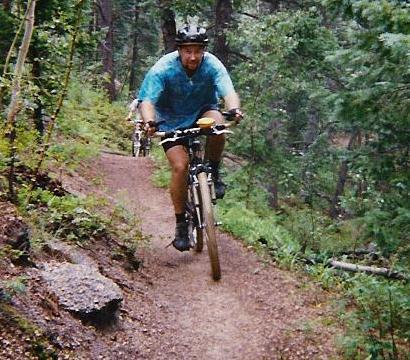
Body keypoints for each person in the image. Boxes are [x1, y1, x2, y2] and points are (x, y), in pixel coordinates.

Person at [138, 24, 243, 252]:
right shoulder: (163, 69)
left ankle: (213, 172)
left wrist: (234, 108)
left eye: (198, 50)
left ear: (204, 50)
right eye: (188, 51)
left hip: (201, 112)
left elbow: (227, 90)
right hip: (169, 120)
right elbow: (147, 101)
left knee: (218, 125)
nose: (193, 56)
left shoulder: (213, 65)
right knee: (180, 166)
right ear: (179, 50)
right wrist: (149, 122)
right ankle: (181, 224)